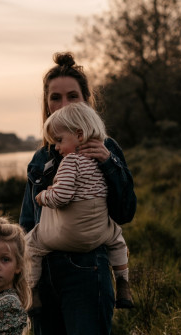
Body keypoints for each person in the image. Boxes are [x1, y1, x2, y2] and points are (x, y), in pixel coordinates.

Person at [19, 52, 136, 335]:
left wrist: (109, 163)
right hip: (47, 279)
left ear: (87, 103)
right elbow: (29, 221)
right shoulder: (40, 157)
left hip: (88, 276)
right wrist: (21, 282)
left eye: (72, 95)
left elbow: (124, 211)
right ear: (46, 106)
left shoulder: (107, 149)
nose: (62, 103)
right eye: (54, 98)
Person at [26, 101, 133, 310]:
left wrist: (43, 196)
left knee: (31, 243)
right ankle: (123, 282)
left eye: (59, 140)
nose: (56, 147)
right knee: (117, 238)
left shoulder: (70, 162)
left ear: (80, 135)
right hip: (98, 234)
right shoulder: (100, 162)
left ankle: (32, 291)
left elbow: (62, 197)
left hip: (68, 235)